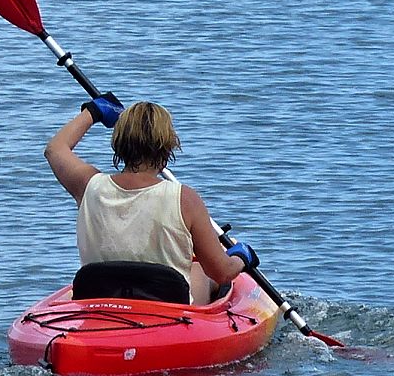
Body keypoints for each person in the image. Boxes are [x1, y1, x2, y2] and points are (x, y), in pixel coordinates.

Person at [44, 93, 258, 304]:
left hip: (100, 305)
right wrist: (240, 257)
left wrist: (94, 112)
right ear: (167, 147)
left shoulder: (88, 185)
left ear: (118, 142)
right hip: (166, 315)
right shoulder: (185, 199)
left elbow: (55, 150)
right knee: (200, 270)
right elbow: (222, 272)